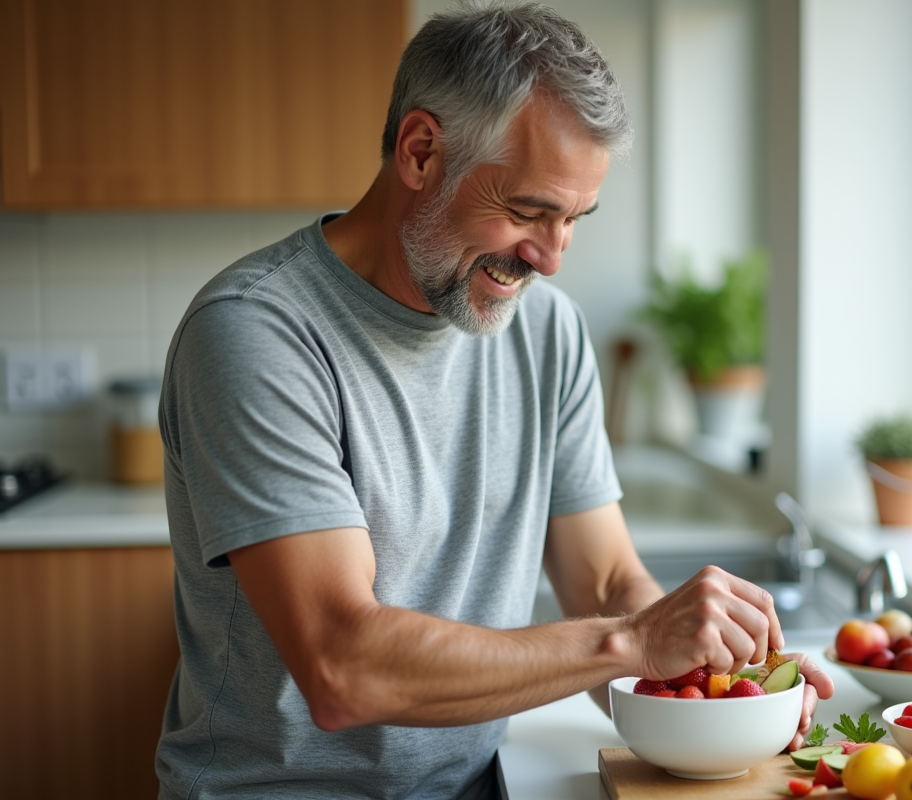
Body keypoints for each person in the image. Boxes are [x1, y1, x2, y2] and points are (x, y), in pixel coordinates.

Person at [155, 2, 834, 798]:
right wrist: (632, 643)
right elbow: (345, 666)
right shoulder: (256, 335)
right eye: (528, 211)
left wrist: (714, 691)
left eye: (575, 219)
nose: (550, 257)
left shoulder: (547, 331)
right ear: (420, 151)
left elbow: (610, 582)